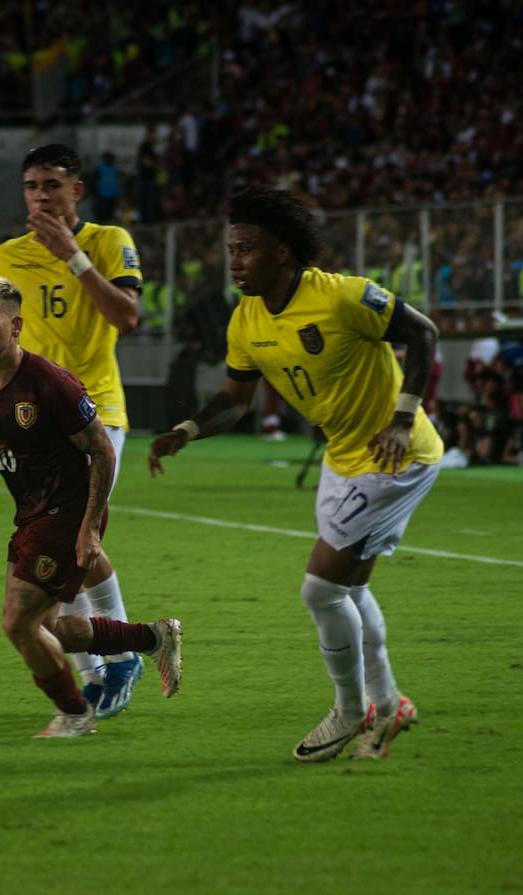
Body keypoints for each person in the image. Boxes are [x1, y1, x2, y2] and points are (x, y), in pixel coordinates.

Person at [148, 184, 443, 763]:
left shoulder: (342, 297)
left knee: (320, 587)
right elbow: (236, 400)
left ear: (282, 252)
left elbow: (423, 333)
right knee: (349, 589)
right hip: (341, 459)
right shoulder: (245, 319)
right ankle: (388, 704)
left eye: (248, 249)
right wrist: (185, 431)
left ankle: (350, 708)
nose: (235, 260)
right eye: (232, 249)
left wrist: (403, 419)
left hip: (394, 459)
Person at [0, 144, 145, 719]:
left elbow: (126, 317)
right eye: (31, 186)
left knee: (69, 538)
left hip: (96, 410)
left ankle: (114, 664)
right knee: (58, 543)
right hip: (28, 423)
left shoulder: (109, 241)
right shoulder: (7, 255)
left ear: (77, 190)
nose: (40, 196)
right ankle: (108, 664)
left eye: (52, 185)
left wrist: (74, 257)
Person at [0, 275, 181, 737]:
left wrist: (90, 526)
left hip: (70, 509)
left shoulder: (49, 383)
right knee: (51, 627)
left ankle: (75, 713)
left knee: (18, 623)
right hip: (31, 515)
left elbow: (102, 450)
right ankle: (153, 638)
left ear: (16, 325)